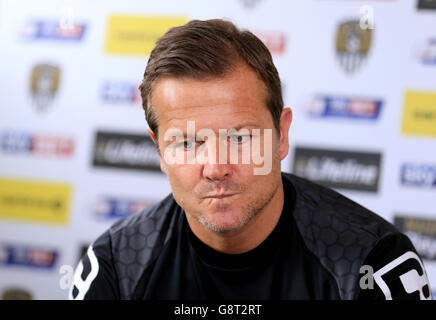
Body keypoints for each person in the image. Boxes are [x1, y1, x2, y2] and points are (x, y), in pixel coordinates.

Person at [70, 19, 432, 300]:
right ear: (160, 150)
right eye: (186, 143)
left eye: (239, 137)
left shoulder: (374, 262)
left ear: (281, 134)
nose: (215, 168)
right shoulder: (115, 265)